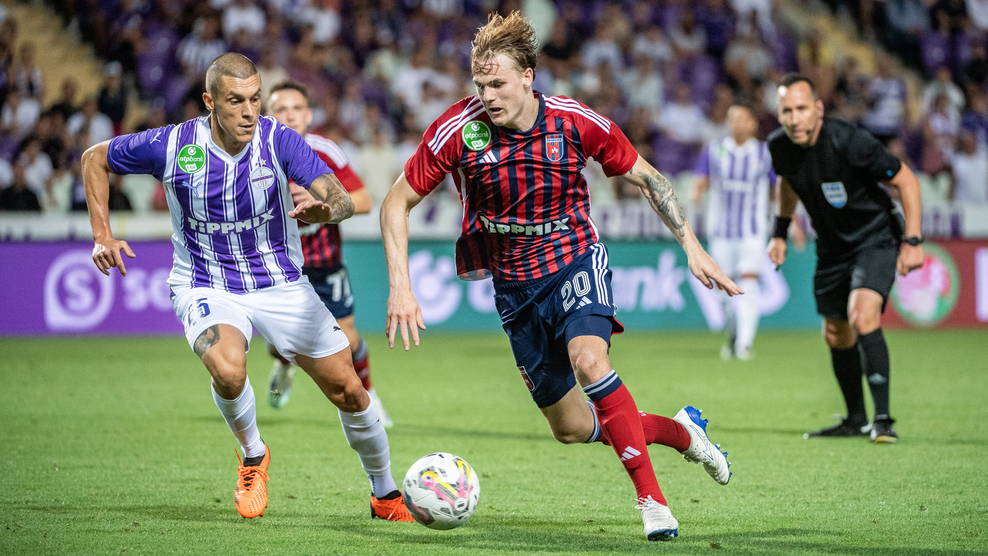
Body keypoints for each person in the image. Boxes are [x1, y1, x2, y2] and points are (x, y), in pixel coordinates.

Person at [381, 12, 737, 542]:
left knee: (590, 361)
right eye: (480, 85)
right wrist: (400, 286)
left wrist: (692, 245)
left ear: (528, 76)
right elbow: (396, 202)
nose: (488, 96)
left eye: (498, 84)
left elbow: (648, 178)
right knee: (571, 427)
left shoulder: (574, 121)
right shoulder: (459, 128)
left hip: (574, 258)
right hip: (514, 286)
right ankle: (683, 434)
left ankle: (653, 503)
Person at [82, 53, 413, 522]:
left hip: (280, 283)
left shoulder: (279, 139)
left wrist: (329, 210)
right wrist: (102, 234)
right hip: (205, 282)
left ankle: (385, 493)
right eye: (236, 101)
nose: (249, 111)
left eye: (256, 99)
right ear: (210, 102)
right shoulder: (172, 144)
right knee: (228, 368)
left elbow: (338, 194)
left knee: (350, 391)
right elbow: (94, 159)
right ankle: (254, 455)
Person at [768, 73, 925, 444]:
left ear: (818, 109)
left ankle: (883, 420)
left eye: (802, 109)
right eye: (787, 111)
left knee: (862, 314)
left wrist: (913, 240)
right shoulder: (779, 146)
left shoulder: (851, 142)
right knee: (836, 332)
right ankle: (855, 420)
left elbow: (907, 180)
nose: (794, 118)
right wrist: (780, 232)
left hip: (876, 237)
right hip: (832, 246)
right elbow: (787, 182)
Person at [265, 80, 392, 426]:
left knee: (347, 339)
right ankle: (283, 364)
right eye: (280, 109)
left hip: (323, 263)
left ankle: (369, 398)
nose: (290, 115)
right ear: (267, 117)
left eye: (296, 108)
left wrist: (326, 203)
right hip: (278, 266)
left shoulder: (325, 151)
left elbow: (363, 200)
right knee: (281, 344)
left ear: (308, 115)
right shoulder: (254, 154)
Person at [691, 103, 775, 360]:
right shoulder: (714, 150)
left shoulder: (764, 153)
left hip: (753, 231)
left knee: (749, 282)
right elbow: (701, 179)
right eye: (733, 118)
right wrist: (696, 193)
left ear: (752, 123)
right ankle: (734, 334)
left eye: (742, 118)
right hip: (721, 232)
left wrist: (789, 221)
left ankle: (744, 344)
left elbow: (777, 188)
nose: (737, 123)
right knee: (723, 289)